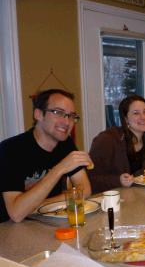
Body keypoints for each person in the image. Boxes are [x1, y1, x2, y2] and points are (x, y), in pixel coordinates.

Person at [0, 89, 93, 223]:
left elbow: (84, 190)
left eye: (71, 116)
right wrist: (60, 169)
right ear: (38, 114)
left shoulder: (65, 144)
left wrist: (36, 204)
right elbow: (16, 213)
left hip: (44, 221)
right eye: (58, 112)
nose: (67, 122)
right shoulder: (10, 149)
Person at [89, 95, 145, 193]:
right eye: (136, 113)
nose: (143, 117)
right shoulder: (107, 140)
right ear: (125, 119)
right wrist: (118, 181)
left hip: (136, 199)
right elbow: (90, 179)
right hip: (108, 202)